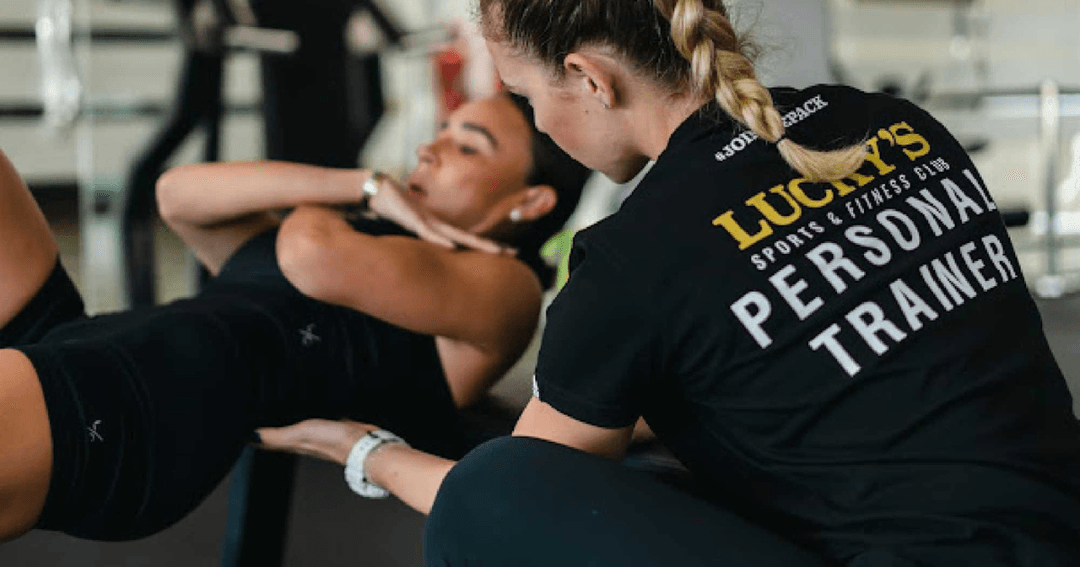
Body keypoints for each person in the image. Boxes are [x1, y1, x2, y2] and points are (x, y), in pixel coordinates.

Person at [253, 1, 1080, 565]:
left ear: (589, 77)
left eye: (525, 95)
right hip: (1059, 520)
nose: (538, 120)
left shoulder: (627, 260)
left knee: (493, 492)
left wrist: (363, 449)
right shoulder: (893, 122)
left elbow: (510, 490)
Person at [0, 92, 589, 543]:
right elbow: (177, 195)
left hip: (133, 414)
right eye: (442, 130)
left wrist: (366, 194)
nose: (428, 149)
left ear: (529, 202)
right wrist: (363, 186)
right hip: (80, 342)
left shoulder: (506, 285)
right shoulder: (360, 228)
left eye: (468, 144)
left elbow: (310, 255)